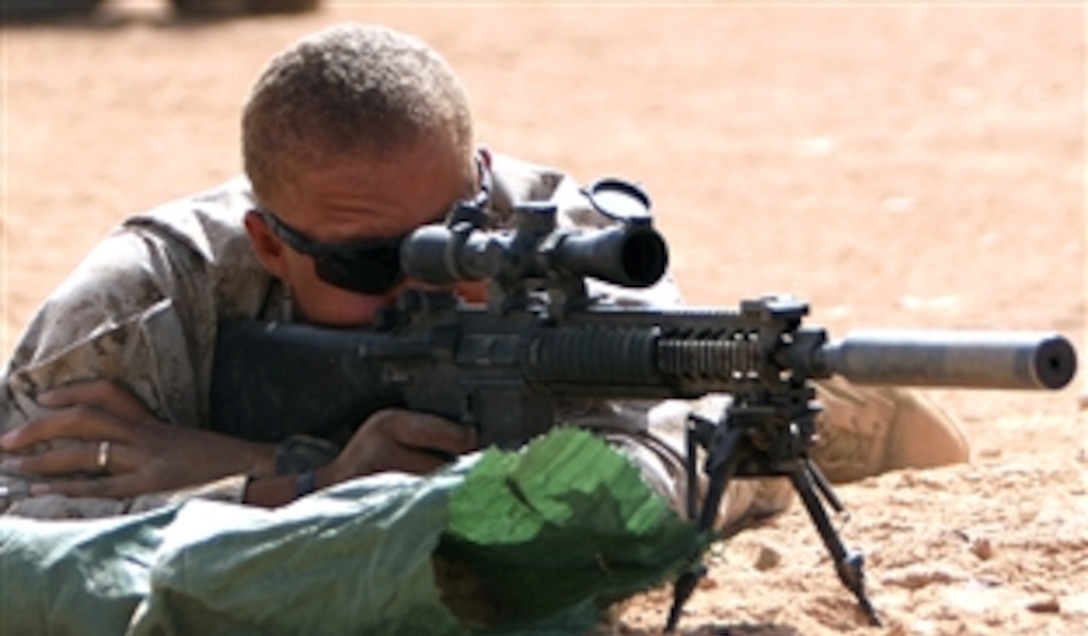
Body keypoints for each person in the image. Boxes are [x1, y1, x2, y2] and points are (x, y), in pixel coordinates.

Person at [0, 23, 968, 526]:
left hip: (710, 417)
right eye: (367, 260)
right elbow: (18, 515)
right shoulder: (143, 303)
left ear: (485, 186)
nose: (417, 283)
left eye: (453, 233)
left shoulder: (564, 242)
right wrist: (291, 483)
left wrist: (251, 471)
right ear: (267, 242)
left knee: (748, 426)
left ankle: (857, 411)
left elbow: (654, 463)